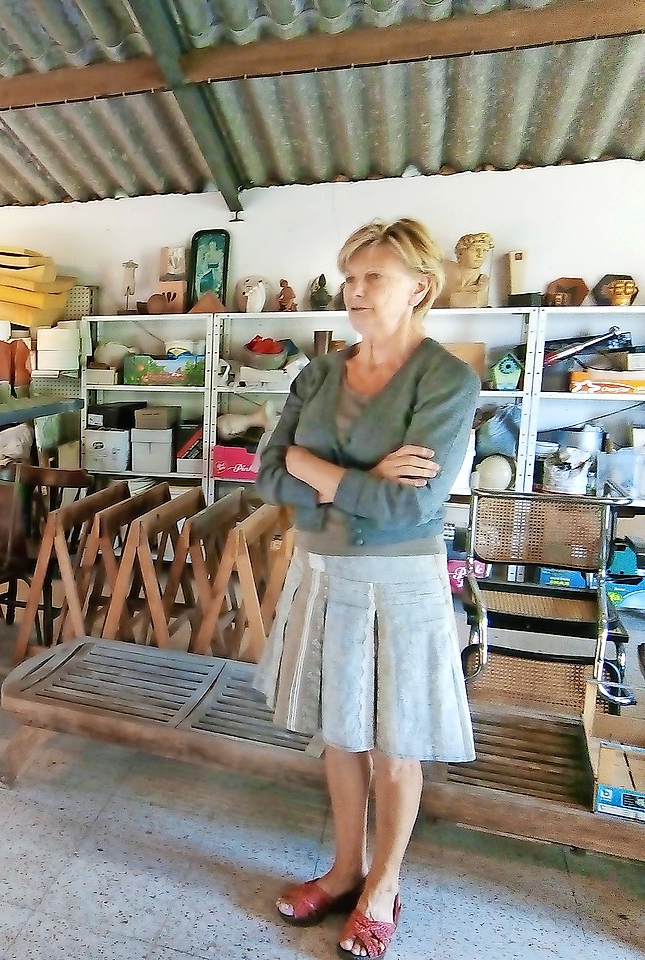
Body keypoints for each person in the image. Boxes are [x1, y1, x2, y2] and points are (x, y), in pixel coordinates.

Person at [253, 219, 479, 958]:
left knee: (396, 742)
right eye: (349, 277)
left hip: (400, 582)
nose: (353, 290)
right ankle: (344, 870)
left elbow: (410, 506)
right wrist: (354, 479)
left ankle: (384, 885)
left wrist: (312, 470)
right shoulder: (319, 373)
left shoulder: (446, 378)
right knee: (340, 735)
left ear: (419, 286)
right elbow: (265, 472)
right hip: (321, 573)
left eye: (371, 277)